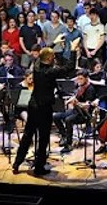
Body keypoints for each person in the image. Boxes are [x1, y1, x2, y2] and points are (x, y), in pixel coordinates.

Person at [12, 37, 81, 176]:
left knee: (27, 135)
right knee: (43, 138)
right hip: (44, 109)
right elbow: (69, 68)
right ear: (49, 59)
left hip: (33, 106)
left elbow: (42, 54)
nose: (55, 58)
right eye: (53, 56)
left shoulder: (36, 67)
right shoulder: (50, 72)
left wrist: (53, 42)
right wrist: (73, 49)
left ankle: (17, 163)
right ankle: (39, 168)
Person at [53, 69, 96, 153]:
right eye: (78, 78)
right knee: (56, 116)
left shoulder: (90, 89)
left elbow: (87, 106)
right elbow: (75, 96)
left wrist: (77, 103)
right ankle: (64, 136)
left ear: (86, 78)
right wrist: (68, 101)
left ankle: (68, 144)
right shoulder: (80, 86)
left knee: (68, 120)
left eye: (81, 79)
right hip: (76, 111)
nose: (79, 80)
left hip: (84, 114)